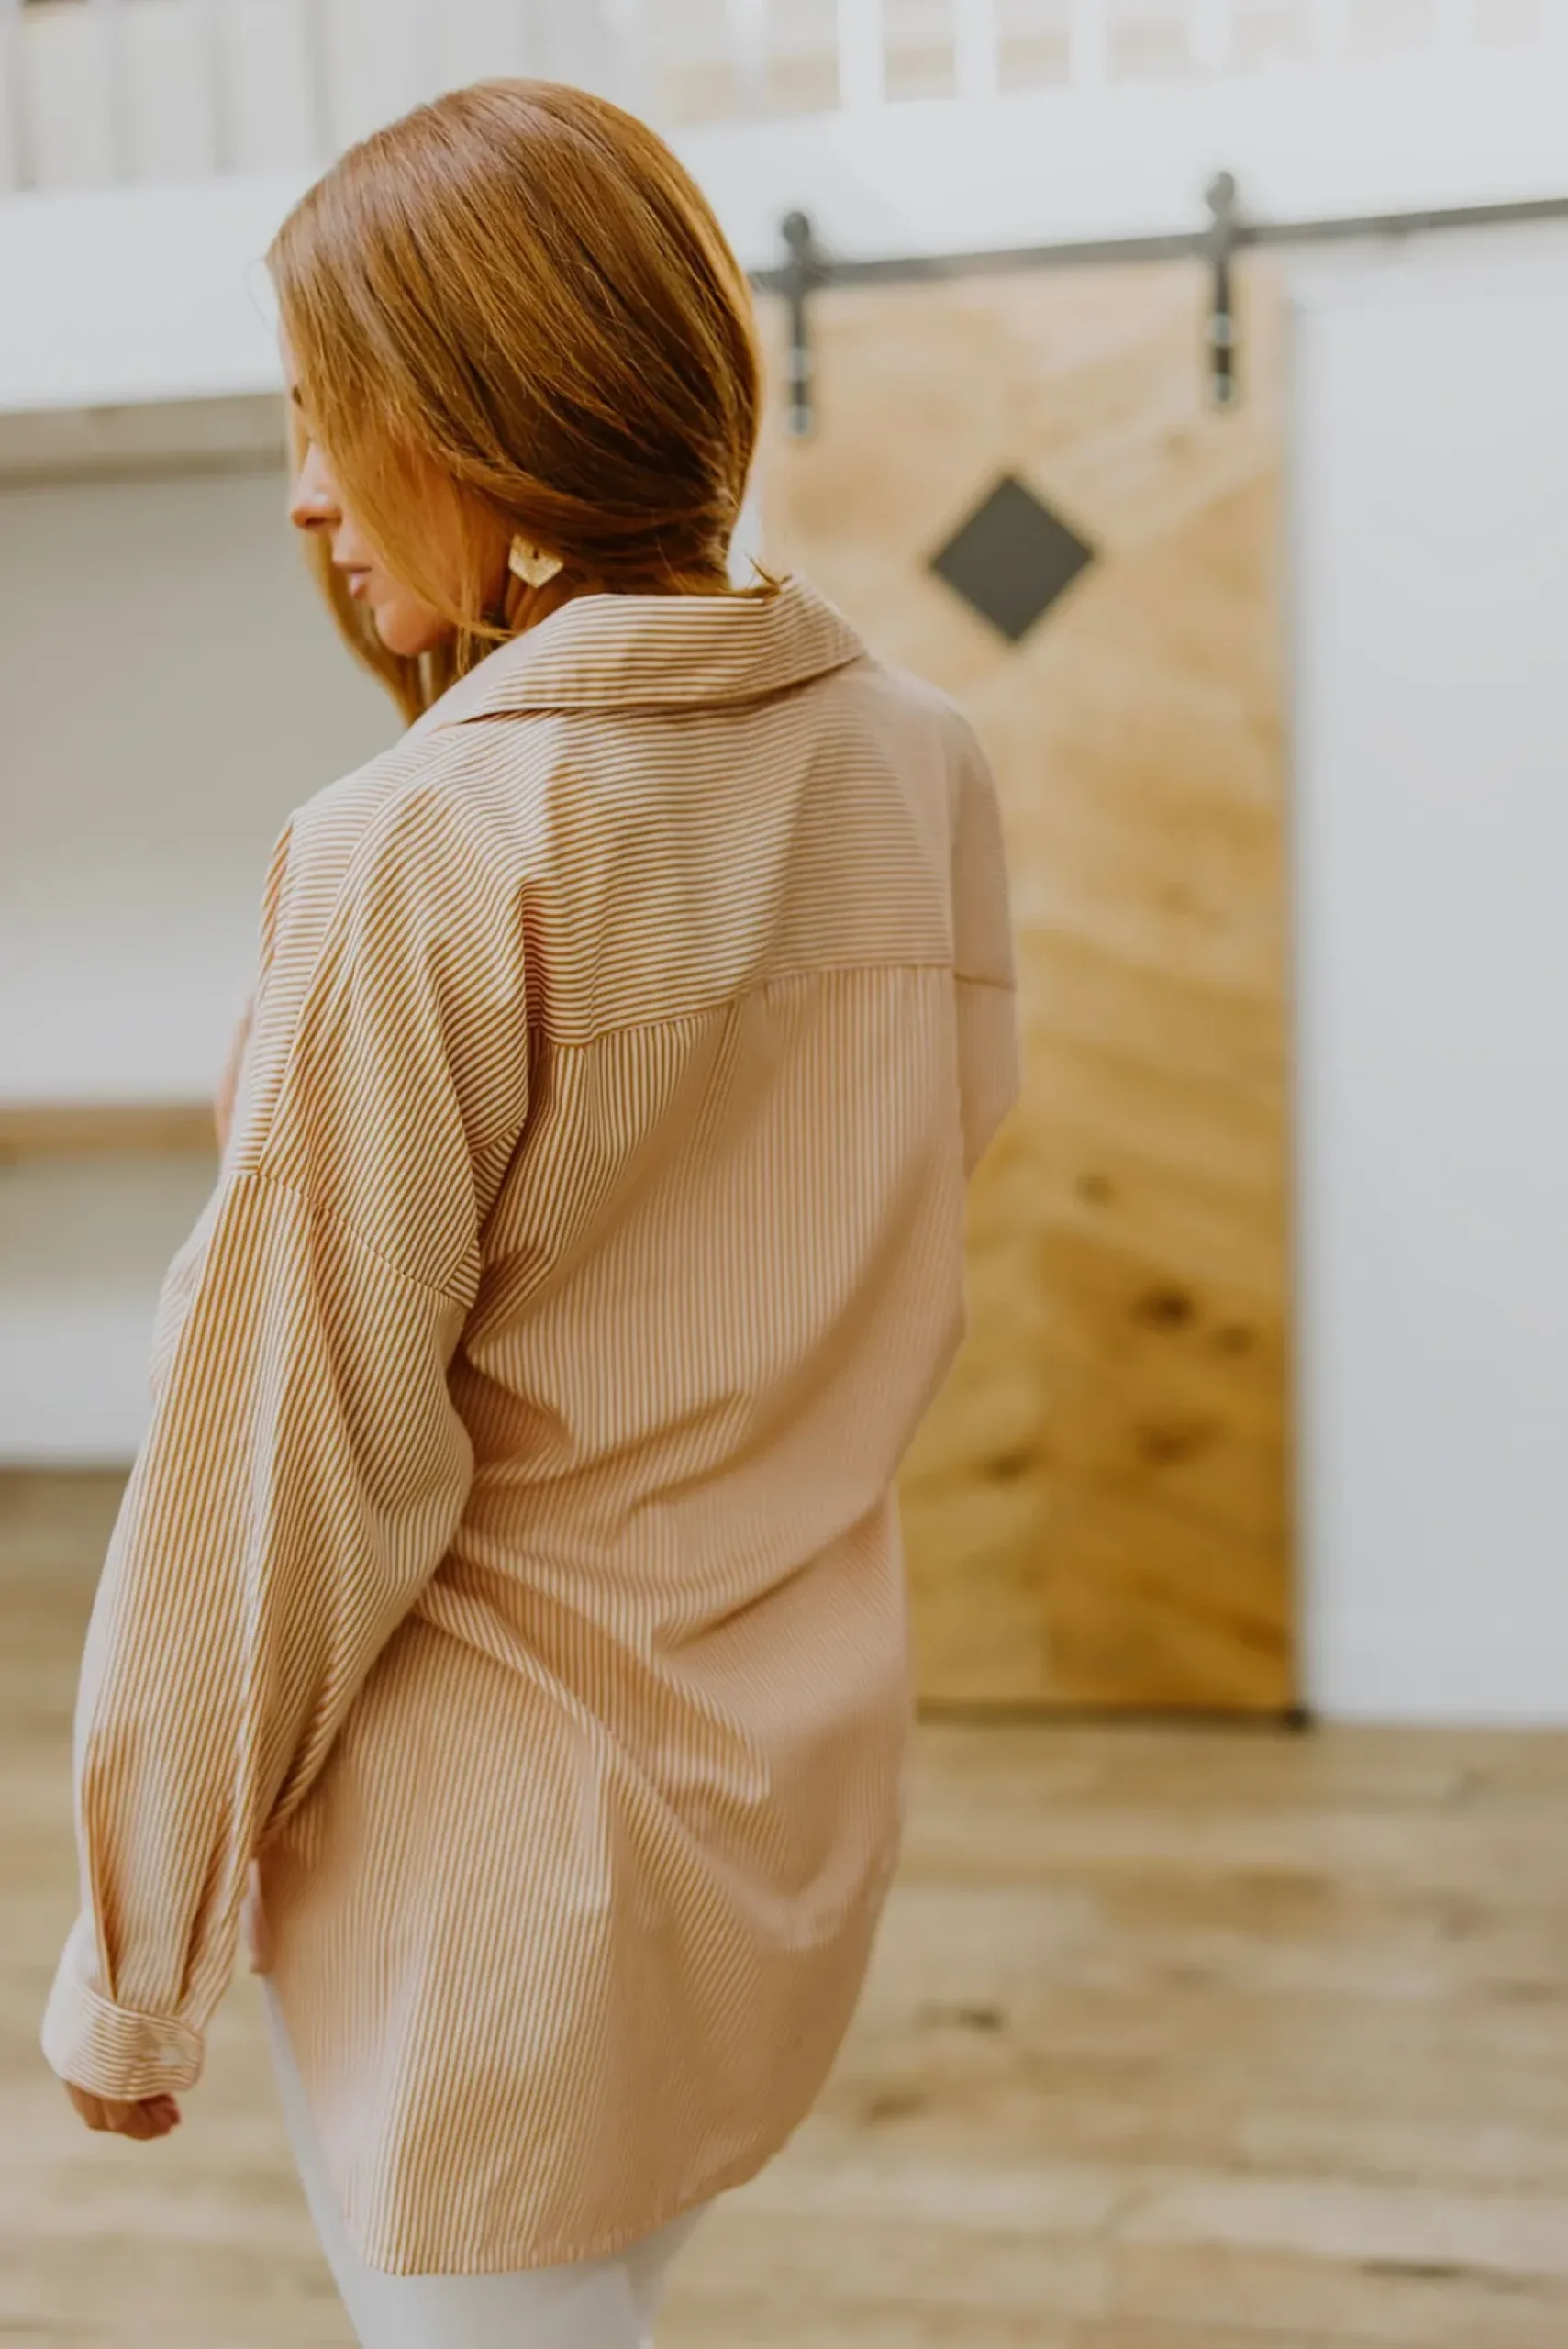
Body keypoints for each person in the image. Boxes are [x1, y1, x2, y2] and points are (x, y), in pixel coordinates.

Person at [41, 78, 1018, 2349]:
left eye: (331, 413)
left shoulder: (424, 843)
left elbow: (277, 1465)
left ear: (490, 407)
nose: (302, 489)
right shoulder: (916, 762)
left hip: (485, 1874)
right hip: (783, 1804)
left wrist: (133, 1954)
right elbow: (899, 1222)